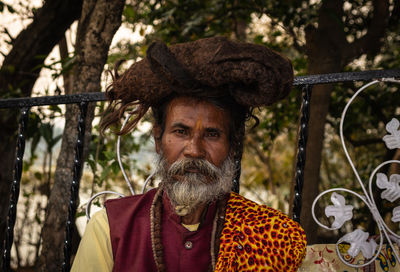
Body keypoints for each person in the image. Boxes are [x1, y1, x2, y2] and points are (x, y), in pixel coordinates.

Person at [71, 37, 307, 272]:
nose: (194, 150)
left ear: (232, 147)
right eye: (181, 131)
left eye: (212, 134)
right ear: (158, 139)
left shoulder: (267, 235)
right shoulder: (110, 227)